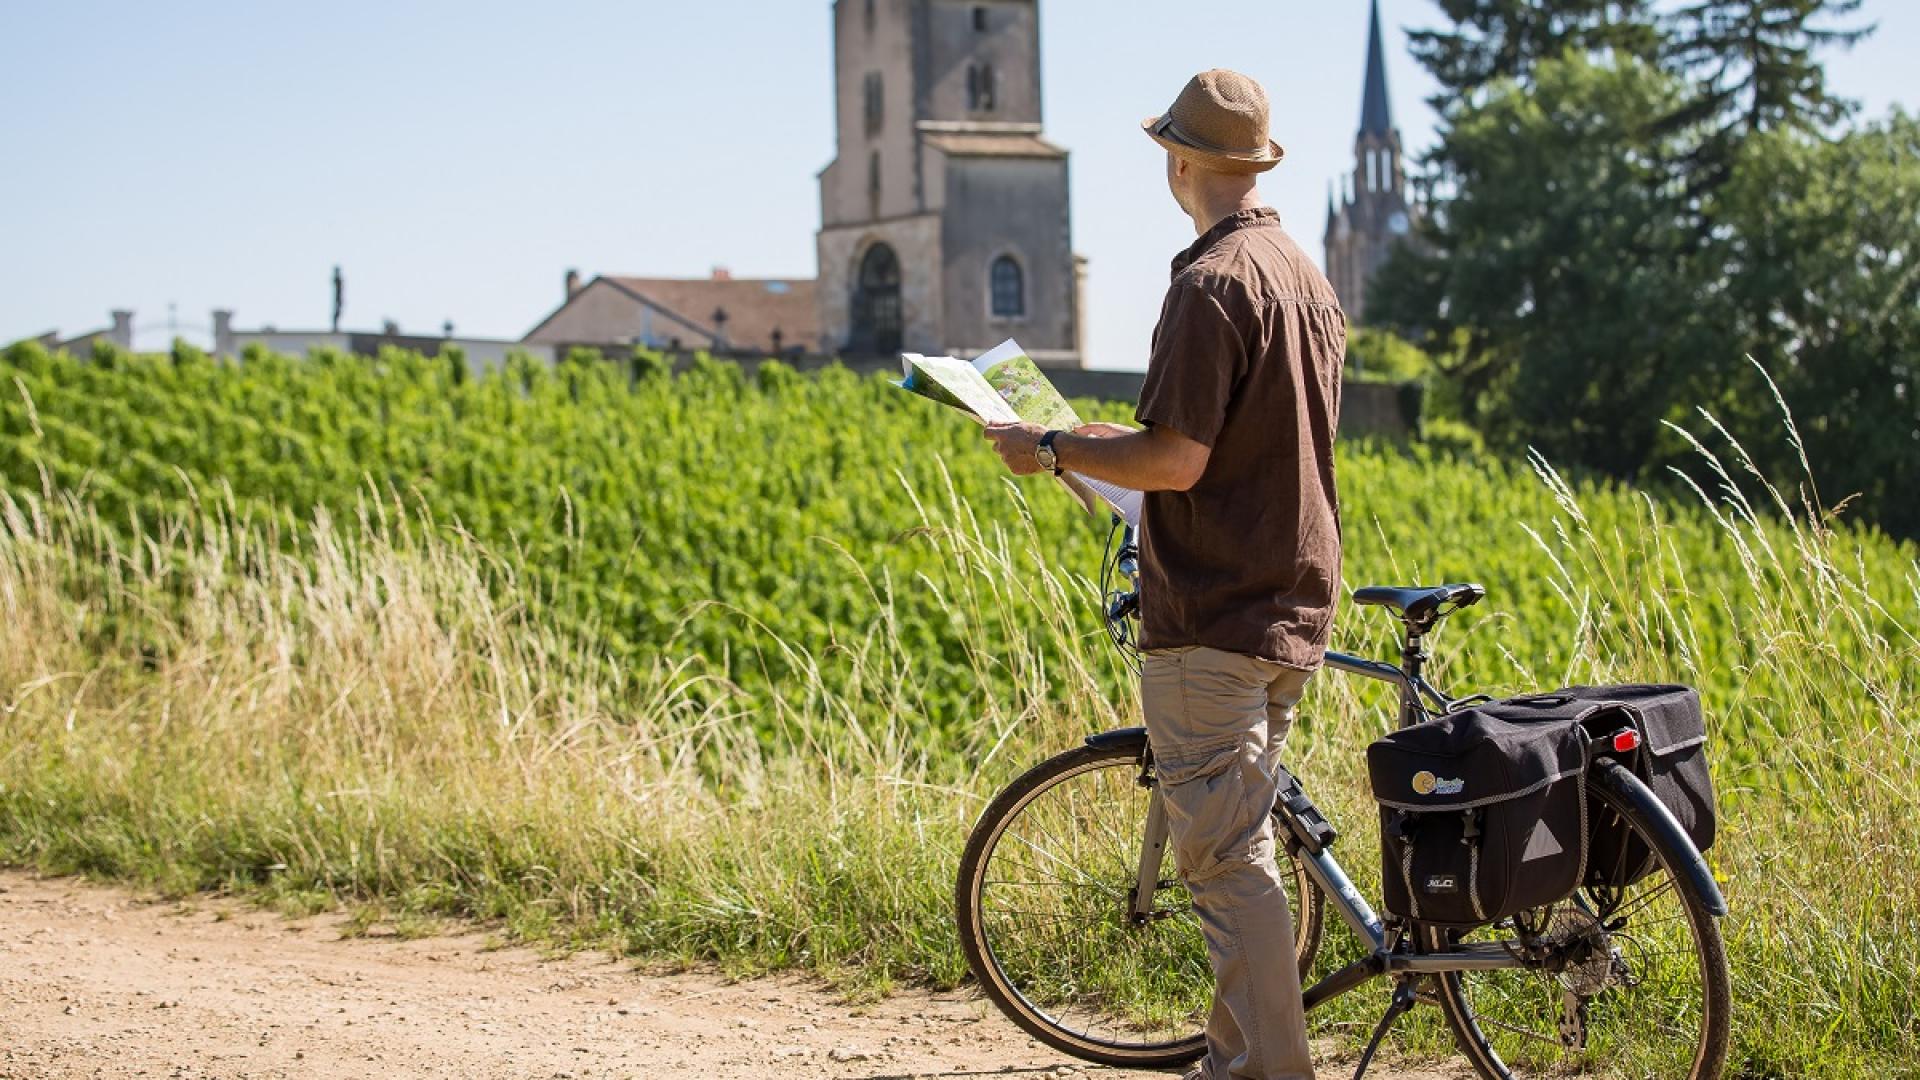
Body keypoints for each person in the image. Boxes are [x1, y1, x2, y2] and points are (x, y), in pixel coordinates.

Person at [984, 68, 1345, 1080]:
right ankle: (1235, 1061)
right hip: (1289, 603)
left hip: (1215, 615)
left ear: (1180, 161)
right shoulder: (1303, 279)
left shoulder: (1209, 286)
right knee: (1242, 843)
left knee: (1229, 866)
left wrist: (1054, 446)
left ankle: (1271, 1073)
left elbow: (1177, 459)